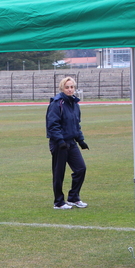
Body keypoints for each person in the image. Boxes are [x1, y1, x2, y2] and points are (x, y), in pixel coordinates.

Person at [45, 76, 89, 210]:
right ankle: (58, 202)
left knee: (81, 168)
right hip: (59, 143)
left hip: (71, 142)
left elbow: (76, 125)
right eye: (67, 87)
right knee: (59, 173)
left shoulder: (75, 104)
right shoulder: (57, 103)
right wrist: (60, 140)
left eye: (72, 87)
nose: (70, 89)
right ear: (62, 88)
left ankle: (73, 197)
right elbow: (53, 124)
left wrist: (81, 140)